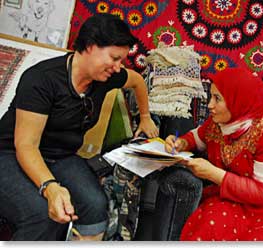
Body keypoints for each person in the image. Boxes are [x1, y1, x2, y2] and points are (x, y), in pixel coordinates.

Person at [0, 13, 158, 241]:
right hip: (10, 155)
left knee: (95, 205)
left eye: (121, 60)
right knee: (43, 215)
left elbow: (137, 81)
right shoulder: (41, 80)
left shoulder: (106, 78)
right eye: (114, 58)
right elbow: (26, 146)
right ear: (91, 46)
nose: (117, 67)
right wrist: (51, 187)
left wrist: (145, 117)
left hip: (60, 156)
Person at [165, 67, 263, 241]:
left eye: (217, 99)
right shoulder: (219, 123)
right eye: (211, 96)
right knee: (211, 222)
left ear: (238, 101)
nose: (210, 105)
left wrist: (214, 174)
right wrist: (180, 142)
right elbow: (195, 138)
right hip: (235, 200)